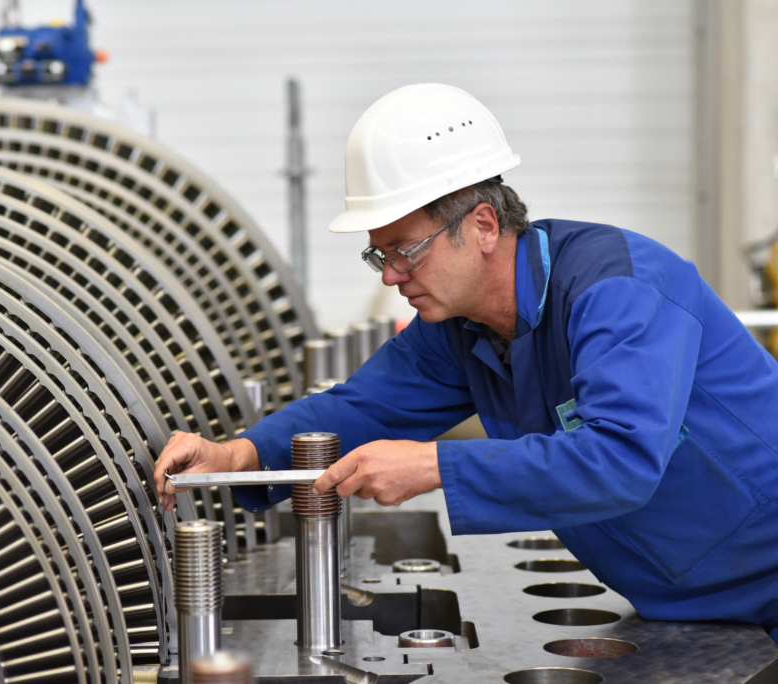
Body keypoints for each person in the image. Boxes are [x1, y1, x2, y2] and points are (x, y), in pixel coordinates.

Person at [153, 84, 778, 641]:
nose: (394, 276)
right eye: (380, 257)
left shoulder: (616, 289)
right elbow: (364, 405)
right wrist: (240, 455)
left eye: (407, 251)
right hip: (686, 609)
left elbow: (621, 459)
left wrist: (432, 465)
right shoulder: (459, 327)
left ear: (482, 224)